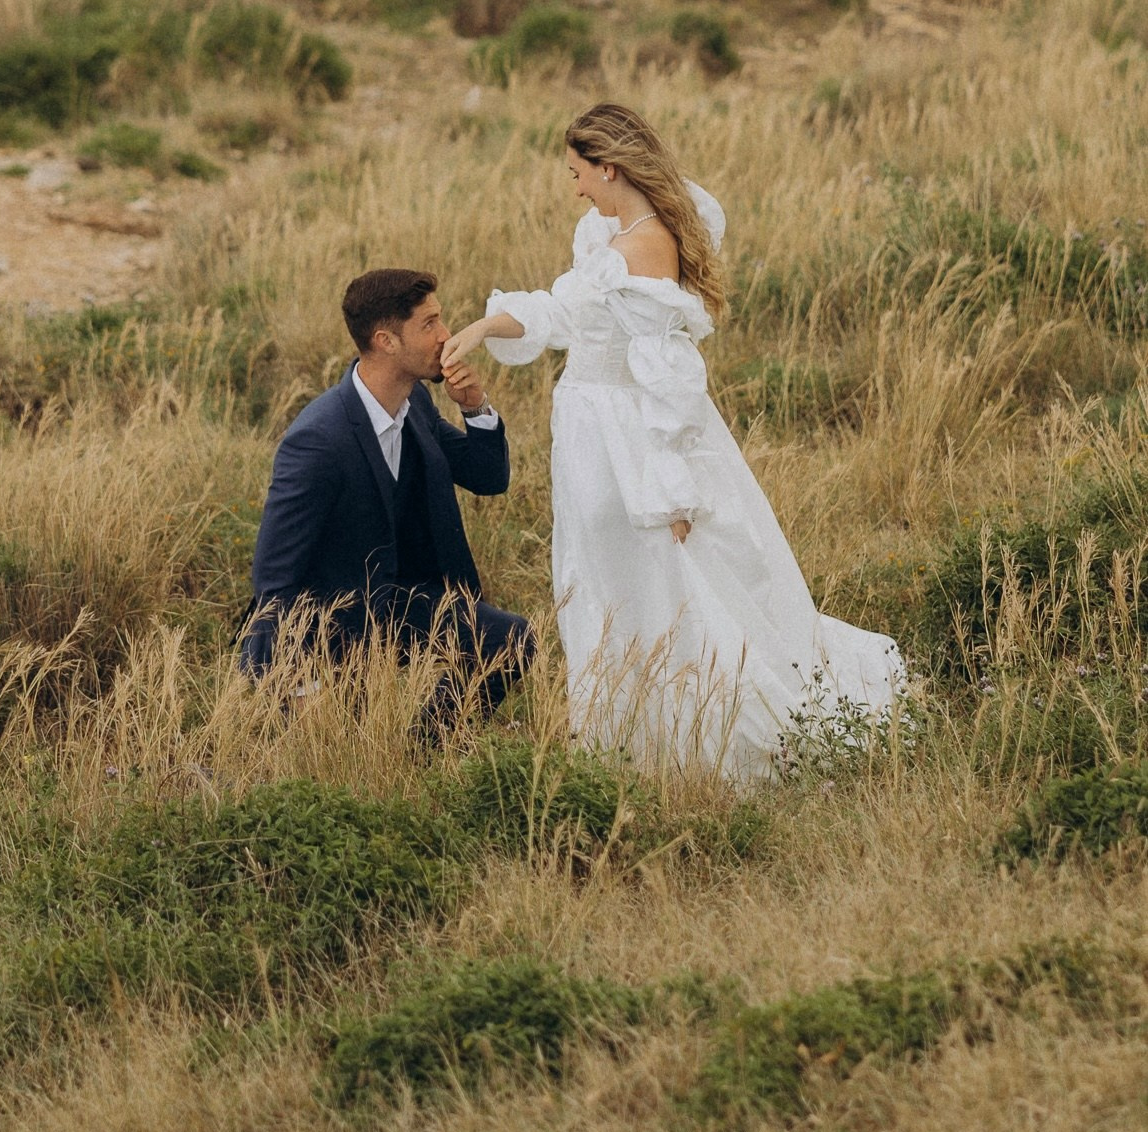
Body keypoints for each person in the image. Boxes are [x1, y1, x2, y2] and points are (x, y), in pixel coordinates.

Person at [441, 101, 901, 779]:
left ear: (610, 166)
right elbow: (561, 310)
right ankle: (620, 730)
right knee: (597, 572)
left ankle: (686, 735)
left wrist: (674, 491)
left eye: (578, 172)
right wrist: (481, 329)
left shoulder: (642, 248)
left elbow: (669, 383)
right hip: (588, 430)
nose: (573, 187)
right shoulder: (603, 231)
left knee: (658, 574)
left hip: (628, 436)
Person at [240, 267, 535, 725]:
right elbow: (274, 578)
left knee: (510, 640)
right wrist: (297, 681)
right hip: (333, 624)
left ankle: (428, 750)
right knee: (345, 756)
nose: (446, 335)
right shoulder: (319, 440)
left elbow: (488, 477)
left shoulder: (415, 403)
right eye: (429, 324)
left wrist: (473, 404)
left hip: (399, 602)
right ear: (386, 341)